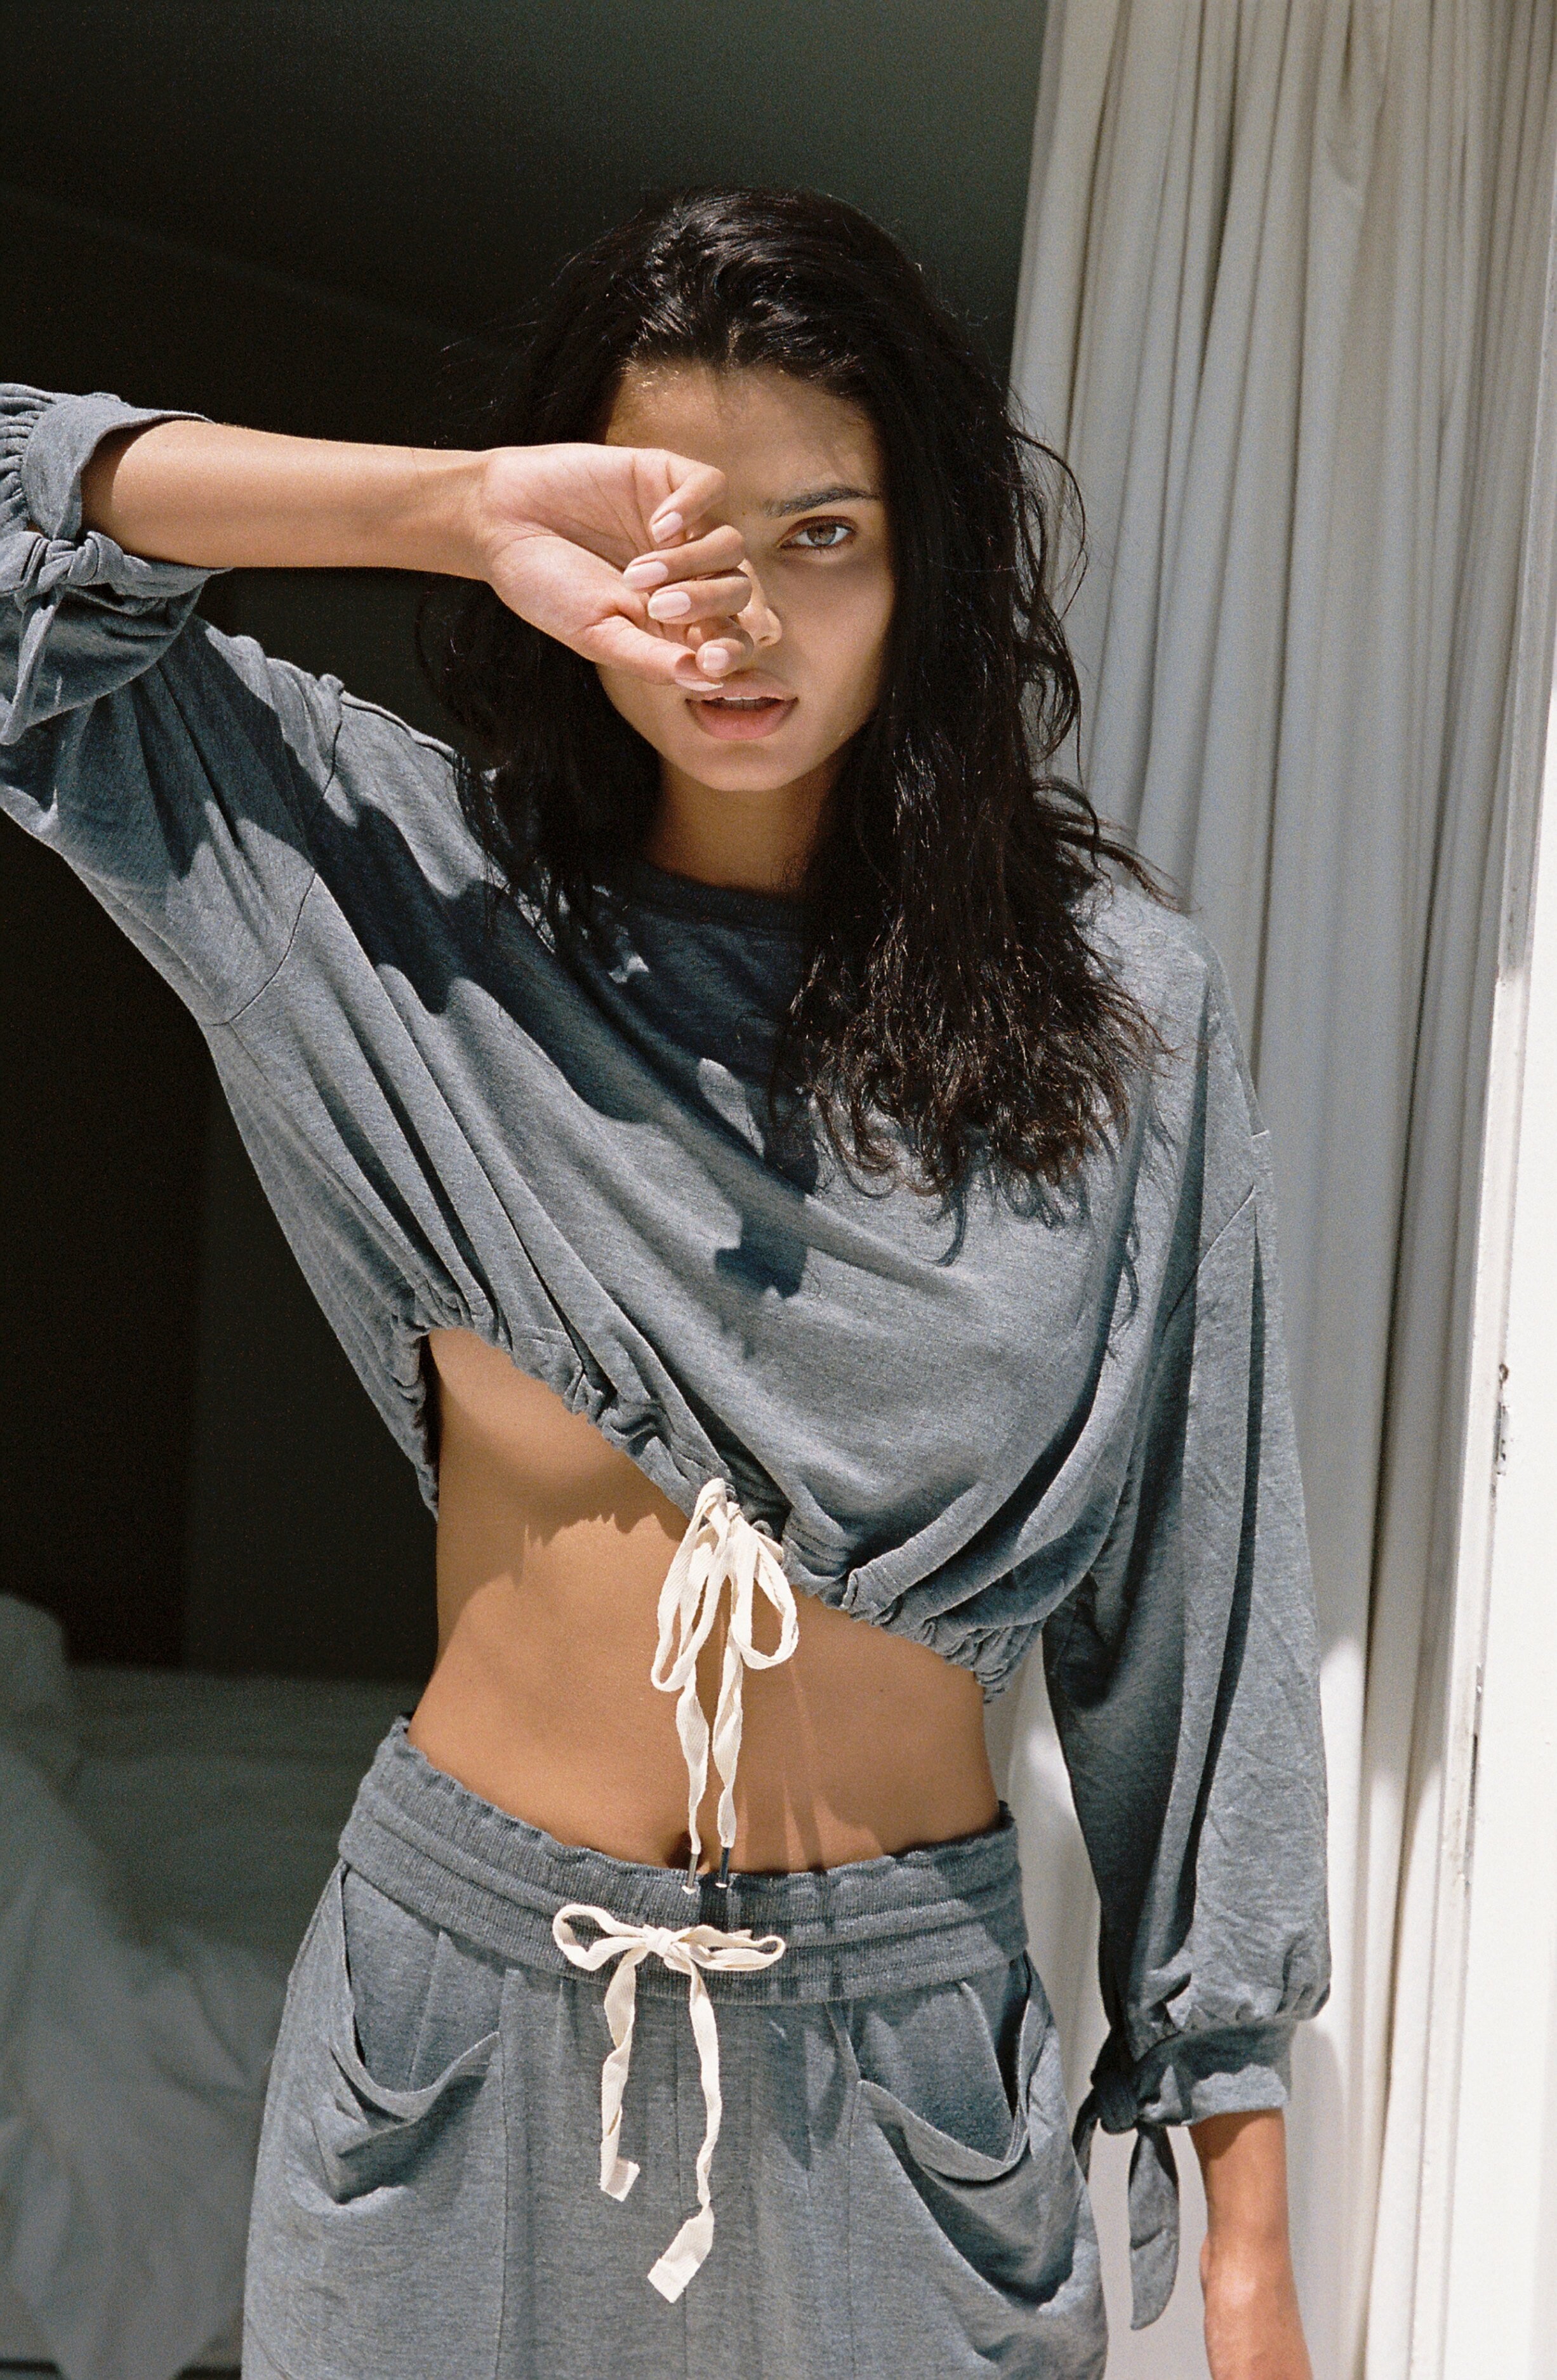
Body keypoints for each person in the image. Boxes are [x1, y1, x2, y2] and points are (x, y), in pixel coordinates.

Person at [0, 187, 1329, 2380]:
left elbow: (1203, 1627)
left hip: (908, 2088)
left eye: (824, 534)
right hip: (450, 2043)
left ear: (928, 566)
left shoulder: (1116, 1023)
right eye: (668, 529)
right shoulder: (395, 903)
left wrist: (1248, 2233)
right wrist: (449, 515)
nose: (740, 615)